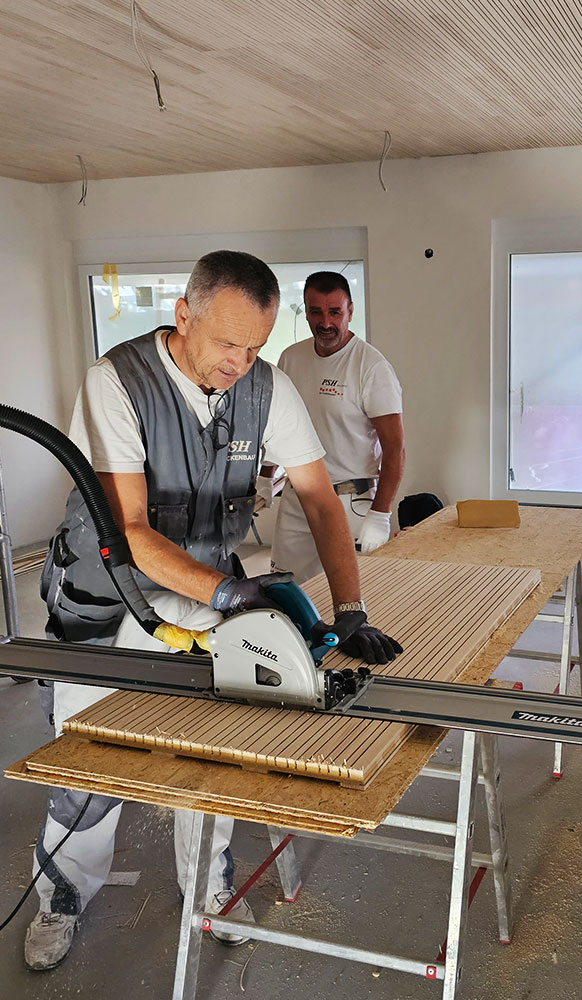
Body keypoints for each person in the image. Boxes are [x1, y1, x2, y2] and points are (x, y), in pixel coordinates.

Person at [25, 251, 401, 972]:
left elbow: (320, 499)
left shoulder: (266, 387)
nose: (240, 361)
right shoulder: (116, 383)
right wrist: (230, 594)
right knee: (89, 758)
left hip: (204, 591)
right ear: (184, 315)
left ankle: (211, 884)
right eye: (228, 343)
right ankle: (63, 891)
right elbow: (130, 530)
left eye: (255, 345)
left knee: (212, 748)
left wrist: (348, 608)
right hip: (107, 597)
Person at [263, 271, 405, 583]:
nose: (325, 323)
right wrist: (264, 479)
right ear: (304, 309)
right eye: (315, 311)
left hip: (350, 502)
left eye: (335, 312)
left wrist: (380, 514)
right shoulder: (291, 358)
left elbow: (395, 450)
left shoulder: (370, 367)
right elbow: (279, 426)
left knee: (357, 596)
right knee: (288, 591)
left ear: (350, 312)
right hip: (298, 500)